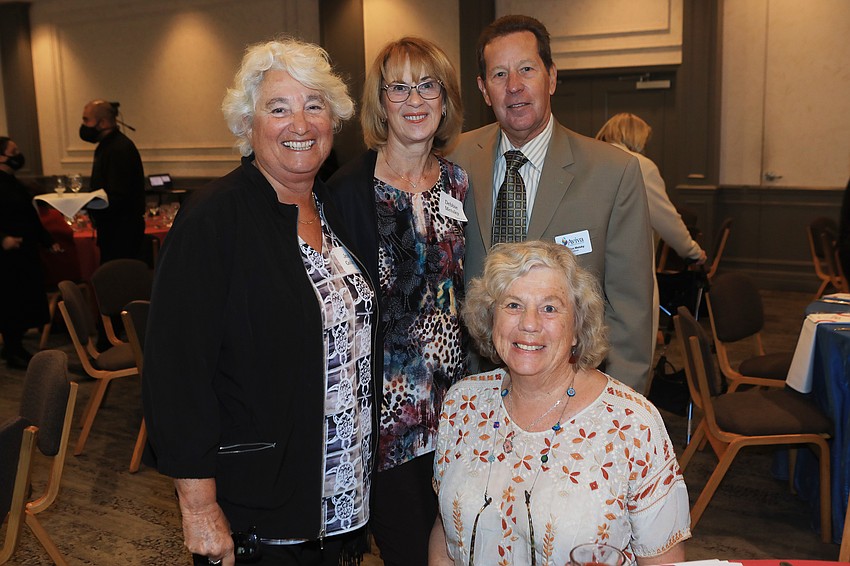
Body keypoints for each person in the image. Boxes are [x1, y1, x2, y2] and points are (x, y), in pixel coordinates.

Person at [142, 38, 377, 566]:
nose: (300, 123)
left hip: (341, 505)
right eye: (279, 108)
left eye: (314, 105)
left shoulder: (333, 208)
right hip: (260, 513)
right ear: (248, 125)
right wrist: (198, 508)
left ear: (333, 121)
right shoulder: (213, 218)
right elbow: (175, 374)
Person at [429, 240, 690, 565]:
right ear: (491, 319)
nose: (529, 323)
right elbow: (446, 531)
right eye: (512, 305)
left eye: (550, 308)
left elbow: (663, 559)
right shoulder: (462, 403)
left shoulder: (632, 424)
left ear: (578, 329)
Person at [449, 15, 654, 393]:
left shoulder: (614, 172)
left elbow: (632, 311)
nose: (514, 87)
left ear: (552, 77)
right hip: (477, 387)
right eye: (499, 75)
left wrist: (620, 411)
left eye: (527, 69)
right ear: (483, 89)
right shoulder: (452, 160)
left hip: (573, 391)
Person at [327, 37, 467, 565]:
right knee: (409, 551)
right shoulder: (344, 194)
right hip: (386, 426)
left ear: (445, 99)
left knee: (460, 546)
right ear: (380, 103)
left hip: (457, 414)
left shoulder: (458, 183)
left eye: (427, 85)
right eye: (399, 87)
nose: (415, 99)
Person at [595, 112, 706, 348]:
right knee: (633, 349)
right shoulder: (637, 165)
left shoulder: (588, 158)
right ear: (635, 137)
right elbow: (668, 220)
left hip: (586, 270)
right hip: (627, 274)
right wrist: (693, 251)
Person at [0, 137, 62, 368]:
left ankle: (14, 347)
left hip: (24, 251)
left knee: (25, 300)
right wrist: (3, 239)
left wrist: (47, 240)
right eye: (13, 151)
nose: (18, 155)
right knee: (12, 302)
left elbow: (29, 217)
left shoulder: (13, 181)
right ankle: (13, 348)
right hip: (7, 255)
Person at [79, 99, 146, 264]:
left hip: (121, 233)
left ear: (102, 123)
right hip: (113, 230)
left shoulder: (119, 148)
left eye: (86, 120)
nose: (83, 125)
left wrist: (85, 202)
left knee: (119, 283)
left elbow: (118, 195)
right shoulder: (108, 146)